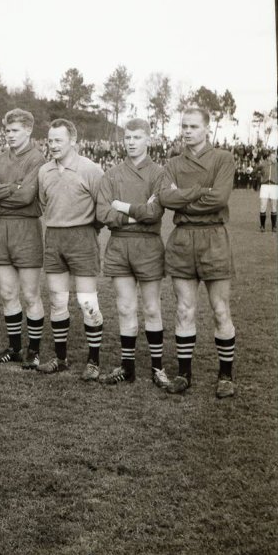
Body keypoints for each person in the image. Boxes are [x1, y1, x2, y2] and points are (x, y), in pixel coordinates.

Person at [158, 107, 237, 398]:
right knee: (184, 308)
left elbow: (220, 198)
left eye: (193, 126)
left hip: (214, 238)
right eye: (184, 126)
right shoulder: (173, 163)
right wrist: (200, 191)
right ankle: (184, 374)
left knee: (220, 309)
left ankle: (225, 376)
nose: (187, 131)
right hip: (182, 240)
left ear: (207, 129)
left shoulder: (223, 158)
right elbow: (165, 198)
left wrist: (183, 198)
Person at [95, 118, 170, 388]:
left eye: (137, 137)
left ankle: (158, 368)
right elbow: (102, 213)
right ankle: (127, 368)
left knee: (151, 307)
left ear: (148, 140)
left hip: (148, 246)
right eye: (127, 137)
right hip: (119, 246)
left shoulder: (159, 173)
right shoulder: (111, 174)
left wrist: (122, 206)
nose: (131, 142)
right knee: (125, 307)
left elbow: (155, 213)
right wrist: (135, 215)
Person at [37, 118, 105, 379]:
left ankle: (94, 361)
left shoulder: (90, 169)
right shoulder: (44, 171)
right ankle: (61, 358)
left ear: (73, 141)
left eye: (59, 140)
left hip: (82, 238)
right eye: (50, 140)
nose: (53, 145)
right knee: (57, 301)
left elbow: (102, 208)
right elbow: (45, 203)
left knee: (87, 302)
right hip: (54, 238)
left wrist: (86, 228)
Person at [0, 109, 46, 367]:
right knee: (7, 293)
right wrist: (12, 188)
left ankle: (34, 351)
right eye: (7, 130)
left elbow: (27, 196)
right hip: (2, 229)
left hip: (27, 229)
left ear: (28, 130)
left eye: (15, 130)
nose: (10, 135)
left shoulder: (37, 158)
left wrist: (0, 191)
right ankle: (15, 348)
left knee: (30, 294)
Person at [256, 149, 278, 232]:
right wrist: (259, 176)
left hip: (274, 187)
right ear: (269, 157)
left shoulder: (277, 165)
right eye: (273, 157)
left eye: (275, 156)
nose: (275, 158)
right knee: (263, 206)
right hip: (264, 186)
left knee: (274, 206)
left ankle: (274, 226)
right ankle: (262, 226)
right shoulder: (263, 164)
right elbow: (255, 170)